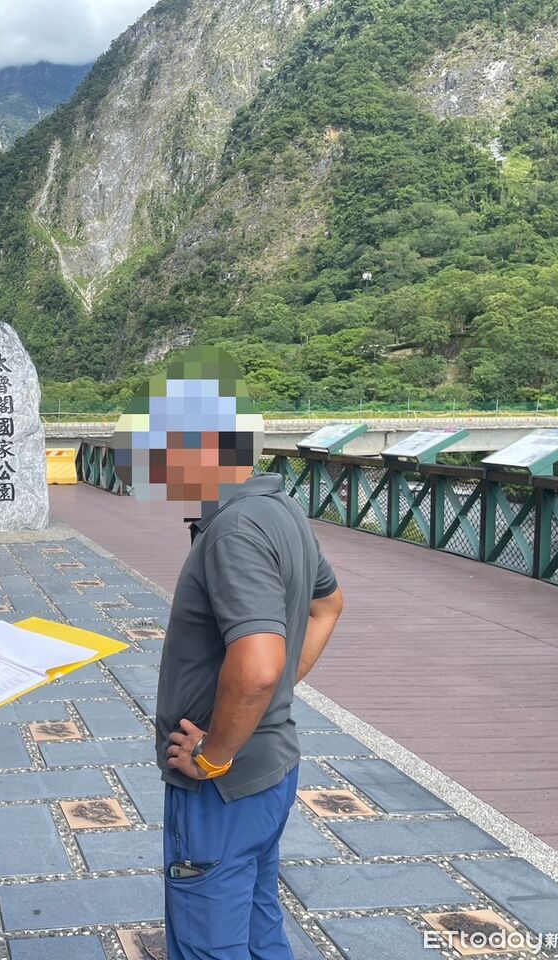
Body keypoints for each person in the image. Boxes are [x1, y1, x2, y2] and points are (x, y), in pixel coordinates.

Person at [122, 350, 345, 959]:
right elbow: (328, 606)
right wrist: (268, 700)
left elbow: (258, 662)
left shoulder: (236, 531)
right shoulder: (281, 510)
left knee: (208, 939)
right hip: (271, 767)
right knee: (257, 925)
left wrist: (214, 754)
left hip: (225, 784)